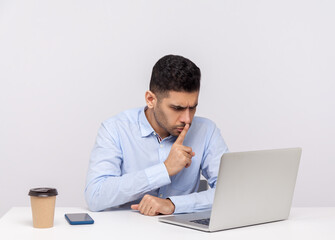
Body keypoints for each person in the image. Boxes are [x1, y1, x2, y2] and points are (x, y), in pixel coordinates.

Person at [85, 54, 228, 216]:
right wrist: (164, 170)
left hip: (182, 233)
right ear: (151, 99)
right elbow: (95, 195)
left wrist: (174, 205)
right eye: (177, 108)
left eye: (193, 107)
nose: (187, 119)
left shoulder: (206, 131)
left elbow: (230, 192)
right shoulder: (115, 129)